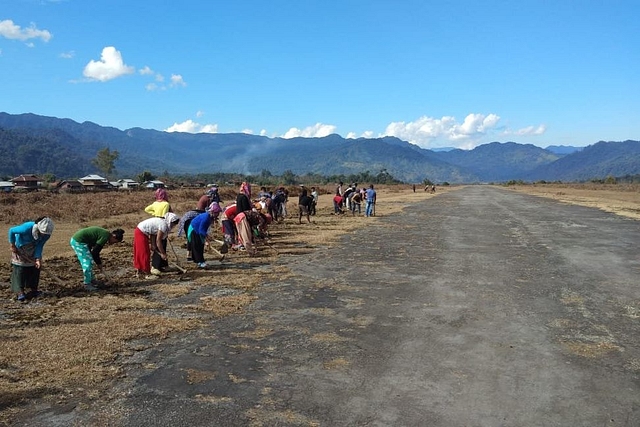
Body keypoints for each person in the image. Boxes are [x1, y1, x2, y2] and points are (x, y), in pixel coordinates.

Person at [8, 217, 54, 302]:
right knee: (20, 268)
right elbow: (12, 231)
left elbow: (40, 245)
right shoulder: (27, 228)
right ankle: (20, 291)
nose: (43, 235)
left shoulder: (47, 235)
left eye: (45, 233)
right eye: (42, 232)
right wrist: (12, 245)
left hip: (34, 248)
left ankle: (33, 289)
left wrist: (37, 258)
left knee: (35, 267)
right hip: (20, 247)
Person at [133, 212, 180, 278]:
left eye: (174, 225)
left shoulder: (162, 222)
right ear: (169, 221)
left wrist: (153, 244)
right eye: (172, 224)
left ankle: (140, 272)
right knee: (144, 253)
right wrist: (163, 253)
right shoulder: (163, 225)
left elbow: (153, 232)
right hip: (141, 232)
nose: (173, 226)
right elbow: (158, 241)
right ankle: (147, 274)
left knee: (142, 253)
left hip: (142, 232)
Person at [188, 202, 221, 268]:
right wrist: (206, 237)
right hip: (194, 229)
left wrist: (206, 236)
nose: (218, 214)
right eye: (217, 213)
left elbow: (204, 229)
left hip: (198, 230)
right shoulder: (206, 218)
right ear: (212, 212)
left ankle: (199, 261)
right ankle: (200, 262)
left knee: (200, 245)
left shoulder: (209, 217)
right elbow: (201, 230)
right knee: (197, 246)